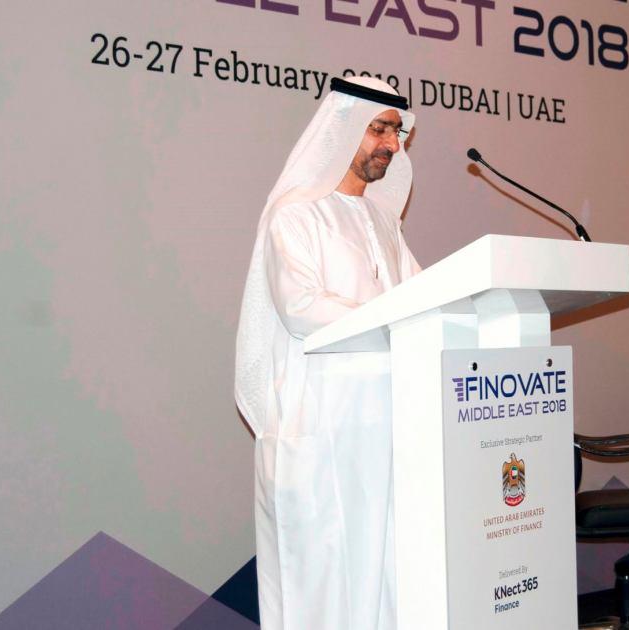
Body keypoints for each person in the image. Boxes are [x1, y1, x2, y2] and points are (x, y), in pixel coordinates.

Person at [234, 76, 420, 630]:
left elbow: (423, 299)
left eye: (397, 132)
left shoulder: (384, 221)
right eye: (379, 129)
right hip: (321, 431)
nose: (392, 144)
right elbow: (301, 307)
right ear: (342, 128)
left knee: (390, 584)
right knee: (322, 591)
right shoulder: (294, 214)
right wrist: (395, 320)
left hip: (384, 433)